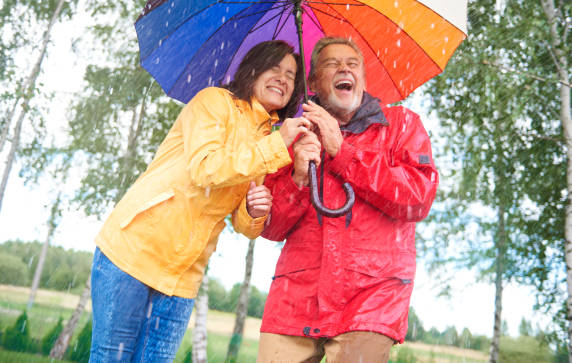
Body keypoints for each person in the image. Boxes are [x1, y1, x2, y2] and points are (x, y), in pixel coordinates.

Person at [89, 40, 311, 362]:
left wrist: (253, 210)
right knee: (112, 358)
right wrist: (277, 145)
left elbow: (243, 224)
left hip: (184, 275)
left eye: (291, 75)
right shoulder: (214, 102)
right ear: (253, 70)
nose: (283, 78)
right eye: (274, 68)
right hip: (134, 252)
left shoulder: (267, 140)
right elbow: (206, 169)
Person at [257, 37, 439, 363]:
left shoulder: (401, 125)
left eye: (352, 63)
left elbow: (417, 198)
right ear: (312, 82)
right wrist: (298, 177)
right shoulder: (291, 134)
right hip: (295, 299)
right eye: (331, 63)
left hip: (371, 298)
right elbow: (269, 227)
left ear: (364, 79)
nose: (344, 68)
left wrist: (343, 153)